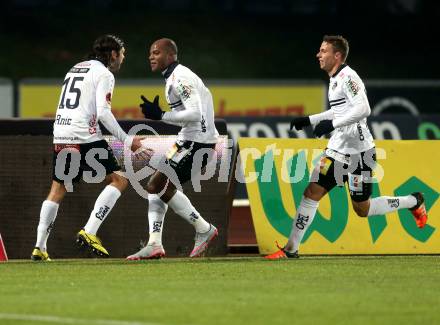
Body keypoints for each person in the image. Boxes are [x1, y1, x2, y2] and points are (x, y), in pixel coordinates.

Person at [265, 35, 428, 259]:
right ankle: (290, 249)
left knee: (363, 209)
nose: (318, 55)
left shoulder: (349, 77)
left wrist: (331, 124)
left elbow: (363, 109)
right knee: (312, 192)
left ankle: (413, 201)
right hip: (337, 151)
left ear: (337, 55)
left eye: (323, 51)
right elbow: (341, 111)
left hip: (361, 154)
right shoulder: (334, 80)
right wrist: (310, 120)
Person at [31, 34, 146, 261]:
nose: (122, 59)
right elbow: (103, 113)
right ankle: (90, 231)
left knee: (58, 189)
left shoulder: (75, 68)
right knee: (119, 180)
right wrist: (127, 140)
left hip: (62, 134)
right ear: (113, 54)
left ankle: (39, 247)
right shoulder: (104, 73)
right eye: (122, 54)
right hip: (84, 136)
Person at [126, 38, 219, 260]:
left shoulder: (180, 77)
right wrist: (161, 115)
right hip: (187, 140)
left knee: (156, 184)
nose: (151, 56)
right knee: (156, 188)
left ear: (170, 55)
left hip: (198, 143)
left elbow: (196, 114)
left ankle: (204, 228)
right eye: (150, 53)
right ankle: (154, 243)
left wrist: (160, 115)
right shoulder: (173, 77)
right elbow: (189, 118)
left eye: (156, 53)